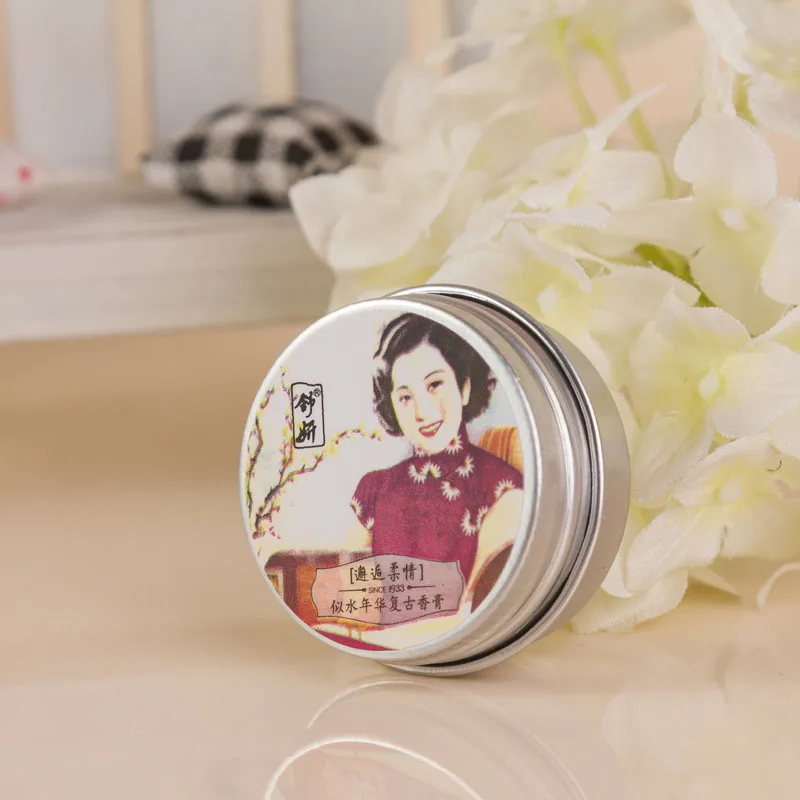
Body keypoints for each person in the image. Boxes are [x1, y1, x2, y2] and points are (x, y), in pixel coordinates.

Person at [345, 313, 524, 601]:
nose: (423, 412)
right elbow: (346, 590)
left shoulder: (502, 491)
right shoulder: (375, 489)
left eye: (435, 385)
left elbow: (471, 610)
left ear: (464, 387)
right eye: (406, 397)